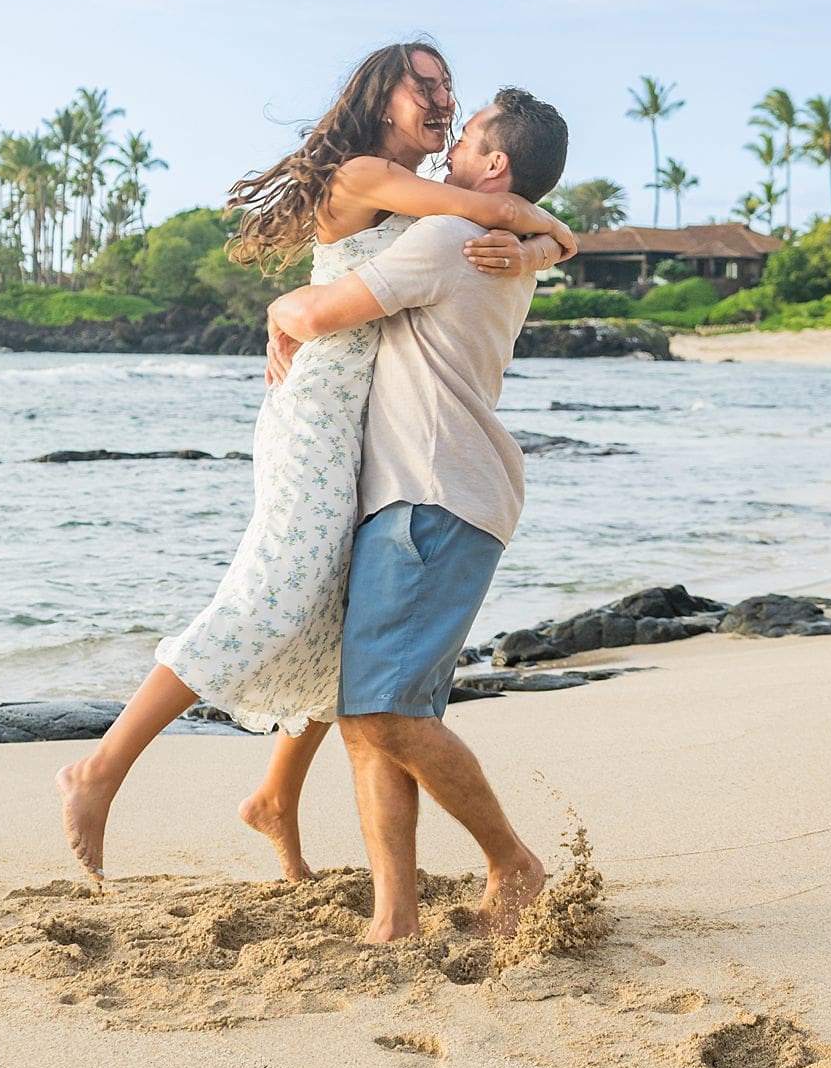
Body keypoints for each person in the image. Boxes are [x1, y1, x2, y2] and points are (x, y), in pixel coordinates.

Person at [56, 45, 574, 887]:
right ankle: (101, 768)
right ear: (384, 96)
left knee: (333, 610)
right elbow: (498, 205)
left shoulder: (451, 217)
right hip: (323, 405)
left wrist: (541, 248)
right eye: (428, 84)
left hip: (368, 420)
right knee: (271, 591)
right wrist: (542, 240)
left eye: (452, 88)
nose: (445, 97)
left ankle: (274, 798)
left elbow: (510, 213)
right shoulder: (372, 173)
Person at [266, 86, 569, 939]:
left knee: (383, 713)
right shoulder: (501, 239)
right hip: (421, 494)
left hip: (432, 495)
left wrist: (277, 314)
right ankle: (393, 915)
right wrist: (554, 239)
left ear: (496, 165)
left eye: (467, 137)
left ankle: (513, 863)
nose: (450, 149)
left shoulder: (449, 237)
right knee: (375, 715)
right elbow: (544, 234)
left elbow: (319, 311)